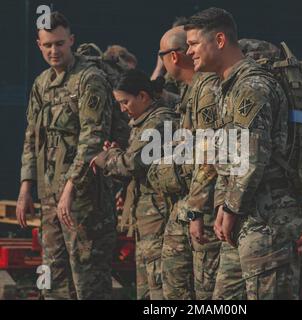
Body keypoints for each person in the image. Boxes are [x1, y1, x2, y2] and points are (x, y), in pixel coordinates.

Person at [185, 7, 302, 300]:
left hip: (267, 223)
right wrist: (223, 207)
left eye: (193, 43)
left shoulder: (252, 86)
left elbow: (251, 158)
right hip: (241, 223)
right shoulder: (229, 87)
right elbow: (226, 157)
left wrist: (230, 208)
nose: (189, 52)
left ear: (220, 40)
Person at [16, 12, 116, 299]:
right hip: (50, 199)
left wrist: (70, 188)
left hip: (84, 200)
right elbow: (31, 137)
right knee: (53, 274)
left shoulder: (89, 80)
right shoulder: (41, 84)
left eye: (60, 44)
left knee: (87, 279)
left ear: (71, 41)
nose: (54, 51)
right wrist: (26, 188)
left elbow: (93, 138)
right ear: (39, 45)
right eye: (47, 45)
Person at [90, 69, 178, 300]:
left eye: (125, 101)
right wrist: (116, 155)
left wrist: (105, 157)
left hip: (159, 219)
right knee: (147, 288)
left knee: (159, 287)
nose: (122, 108)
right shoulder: (144, 123)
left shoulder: (159, 122)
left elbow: (131, 164)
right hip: (148, 218)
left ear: (143, 96)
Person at [155, 26, 221, 300]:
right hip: (187, 207)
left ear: (172, 56)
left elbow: (208, 157)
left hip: (201, 212)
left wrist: (195, 213)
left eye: (160, 55)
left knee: (204, 292)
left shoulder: (205, 90)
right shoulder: (190, 91)